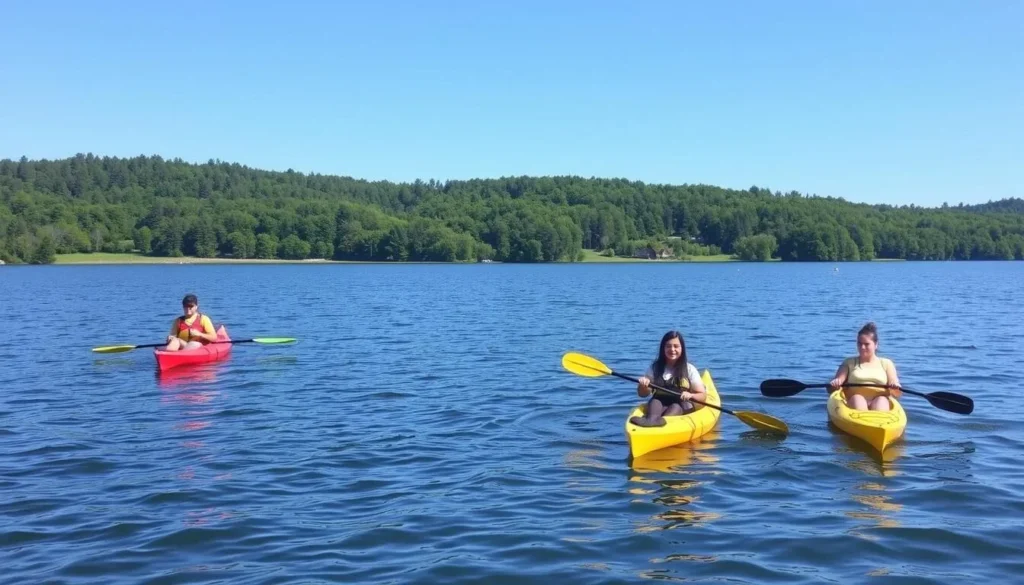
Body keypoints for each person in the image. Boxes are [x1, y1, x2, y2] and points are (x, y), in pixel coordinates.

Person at [629, 330, 707, 427]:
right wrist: (643, 385)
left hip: (681, 405)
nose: (672, 349)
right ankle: (651, 420)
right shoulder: (654, 368)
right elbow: (642, 394)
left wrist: (690, 395)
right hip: (659, 404)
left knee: (675, 406)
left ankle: (662, 424)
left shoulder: (689, 369)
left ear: (682, 349)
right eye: (668, 346)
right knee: (655, 401)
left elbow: (703, 396)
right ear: (663, 348)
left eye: (676, 346)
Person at [829, 322, 902, 411]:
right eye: (859, 344)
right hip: (854, 402)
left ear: (876, 344)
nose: (862, 347)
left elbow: (897, 392)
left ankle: (879, 421)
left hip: (879, 401)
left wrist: (895, 386)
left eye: (866, 344)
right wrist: (836, 383)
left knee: (881, 401)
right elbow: (836, 384)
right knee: (858, 399)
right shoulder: (849, 362)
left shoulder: (887, 363)